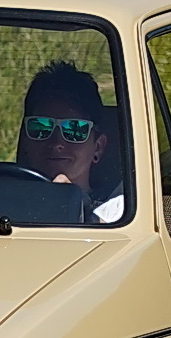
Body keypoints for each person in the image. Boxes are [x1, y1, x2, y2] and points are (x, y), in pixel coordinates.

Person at [16, 60, 125, 222]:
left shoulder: (119, 211)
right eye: (41, 127)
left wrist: (77, 205)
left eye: (74, 130)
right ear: (25, 140)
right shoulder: (0, 198)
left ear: (98, 147)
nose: (56, 143)